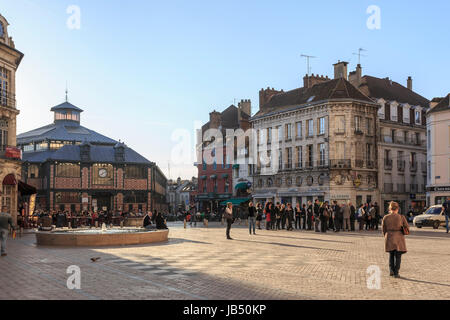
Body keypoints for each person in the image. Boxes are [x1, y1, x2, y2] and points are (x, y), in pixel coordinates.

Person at [382, 201, 409, 278]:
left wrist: (386, 236)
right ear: (397, 209)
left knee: (391, 254)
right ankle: (396, 272)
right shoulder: (401, 217)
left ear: (390, 209)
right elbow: (407, 227)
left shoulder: (386, 217)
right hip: (399, 237)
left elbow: (384, 229)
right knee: (398, 256)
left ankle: (391, 270)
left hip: (389, 236)